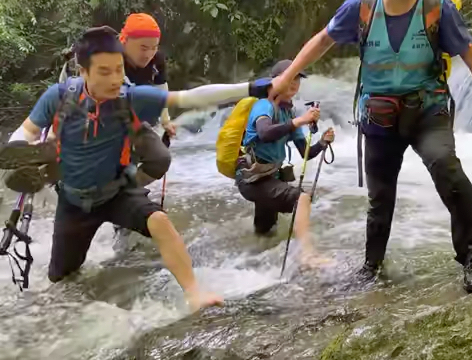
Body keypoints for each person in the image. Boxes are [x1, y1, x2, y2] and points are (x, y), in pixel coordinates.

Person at [0, 26, 273, 311]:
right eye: (104, 72)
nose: (115, 79)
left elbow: (190, 97)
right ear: (82, 72)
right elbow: (27, 130)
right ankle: (51, 164)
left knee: (160, 221)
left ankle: (195, 293)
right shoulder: (57, 96)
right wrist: (21, 148)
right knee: (62, 279)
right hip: (74, 201)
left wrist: (253, 87)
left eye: (119, 70)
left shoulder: (129, 96)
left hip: (117, 189)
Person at [268, 0, 472, 292]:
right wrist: (287, 77)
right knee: (379, 197)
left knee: (445, 166)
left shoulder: (437, 9)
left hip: (427, 113)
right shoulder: (360, 9)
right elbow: (323, 39)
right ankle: (372, 265)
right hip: (379, 118)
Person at [58, 13, 174, 189]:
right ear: (124, 40)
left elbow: (161, 89)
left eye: (154, 47)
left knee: (160, 158)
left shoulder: (156, 60)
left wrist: (166, 121)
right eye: (143, 48)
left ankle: (125, 191)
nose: (149, 54)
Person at [236, 60, 335, 265]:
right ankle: (307, 255)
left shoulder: (288, 112)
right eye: (290, 78)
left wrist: (323, 142)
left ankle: (253, 264)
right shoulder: (264, 105)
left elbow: (305, 153)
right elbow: (264, 133)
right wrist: (300, 121)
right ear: (275, 82)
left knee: (266, 232)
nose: (294, 84)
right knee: (301, 198)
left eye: (298, 79)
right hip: (252, 178)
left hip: (268, 177)